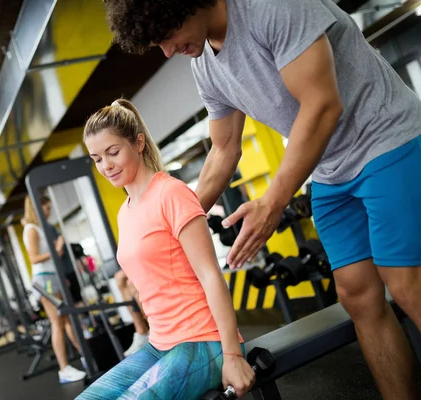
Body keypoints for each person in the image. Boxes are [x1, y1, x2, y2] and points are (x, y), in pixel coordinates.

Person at [103, 2, 421, 399]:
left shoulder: (270, 6)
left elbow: (323, 104)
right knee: (357, 296)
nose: (167, 52)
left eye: (167, 36)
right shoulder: (205, 66)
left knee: (407, 285)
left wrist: (272, 202)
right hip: (329, 172)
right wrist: (176, 224)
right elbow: (223, 150)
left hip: (386, 139)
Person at [77, 98, 254, 399]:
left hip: (202, 340)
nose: (106, 166)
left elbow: (211, 275)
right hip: (160, 343)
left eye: (113, 152)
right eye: (97, 159)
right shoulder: (125, 211)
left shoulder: (171, 193)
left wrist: (233, 355)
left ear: (139, 143)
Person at [22, 194, 87, 384]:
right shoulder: (32, 229)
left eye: (50, 208)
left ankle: (85, 357)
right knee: (57, 323)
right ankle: (64, 369)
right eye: (46, 208)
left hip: (52, 277)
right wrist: (55, 249)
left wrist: (57, 250)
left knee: (67, 319)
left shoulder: (40, 228)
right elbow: (34, 258)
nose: (49, 212)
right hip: (44, 280)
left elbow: (49, 257)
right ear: (36, 208)